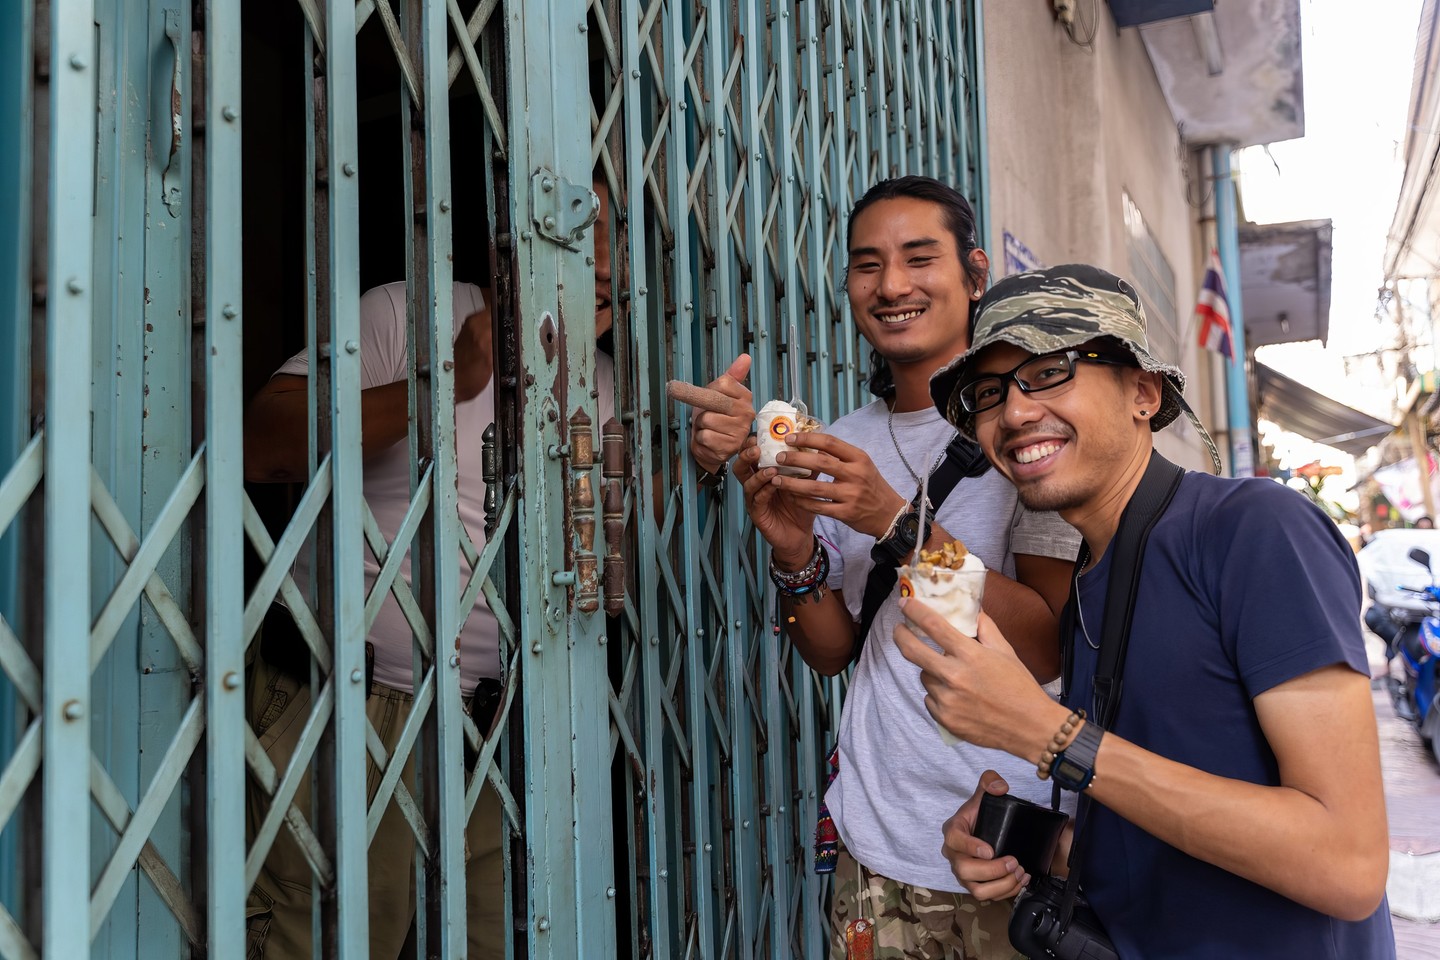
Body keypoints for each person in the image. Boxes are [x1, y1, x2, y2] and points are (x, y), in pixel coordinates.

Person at [897, 263, 1394, 958]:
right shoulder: (1091, 582)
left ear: (1143, 391)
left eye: (1049, 371)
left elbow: (1348, 864)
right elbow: (1153, 830)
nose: (1013, 413)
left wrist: (1048, 734)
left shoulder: (1255, 530)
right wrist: (1034, 843)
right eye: (989, 392)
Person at [691, 176, 1079, 959]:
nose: (893, 285)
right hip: (875, 849)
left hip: (1009, 847)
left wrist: (898, 526)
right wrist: (794, 550)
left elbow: (1046, 645)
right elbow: (835, 650)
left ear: (975, 273)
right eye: (868, 265)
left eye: (918, 258)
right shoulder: (844, 440)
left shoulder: (1029, 430)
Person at [241, 184, 614, 957]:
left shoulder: (606, 383)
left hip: (509, 734)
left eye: (621, 239)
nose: (603, 260)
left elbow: (607, 566)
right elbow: (260, 443)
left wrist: (704, 464)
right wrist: (443, 384)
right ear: (513, 232)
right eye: (585, 228)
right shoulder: (406, 311)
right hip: (350, 711)